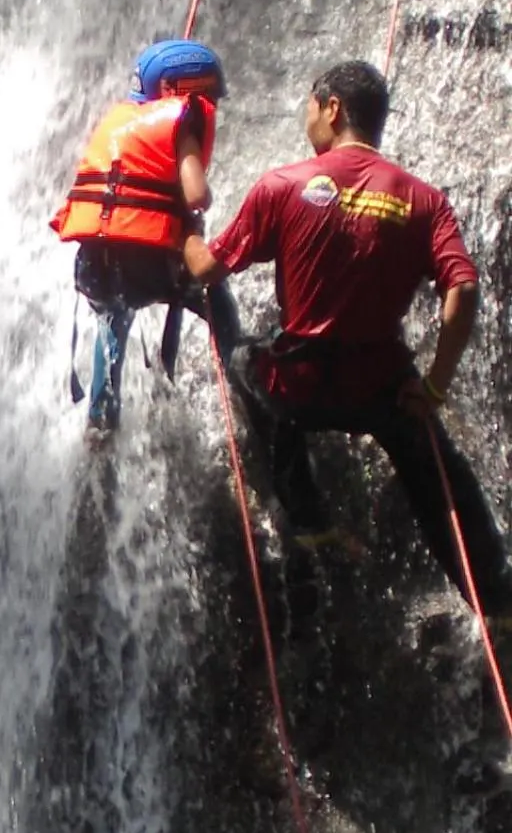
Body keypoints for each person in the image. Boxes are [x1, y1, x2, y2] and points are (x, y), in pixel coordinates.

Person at [182, 58, 512, 618]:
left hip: (298, 383)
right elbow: (464, 290)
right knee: (443, 482)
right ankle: (498, 604)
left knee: (242, 361)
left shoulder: (282, 185)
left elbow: (207, 270)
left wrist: (188, 226)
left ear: (333, 108)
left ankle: (308, 517)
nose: (306, 116)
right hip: (380, 388)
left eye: (311, 104)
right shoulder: (424, 200)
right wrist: (434, 385)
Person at [50, 38, 240, 432]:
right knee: (215, 296)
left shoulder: (120, 123)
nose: (213, 106)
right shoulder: (183, 121)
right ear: (183, 91)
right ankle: (237, 364)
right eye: (209, 95)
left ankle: (101, 421)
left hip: (96, 268)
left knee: (114, 322)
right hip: (148, 267)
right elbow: (197, 194)